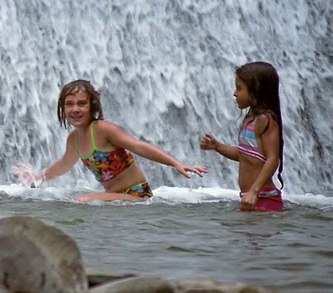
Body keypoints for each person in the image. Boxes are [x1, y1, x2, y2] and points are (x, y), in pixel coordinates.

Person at [12, 79, 207, 202]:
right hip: (117, 197)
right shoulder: (74, 139)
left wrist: (176, 163)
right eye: (69, 104)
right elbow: (64, 164)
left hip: (137, 195)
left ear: (92, 106)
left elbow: (139, 146)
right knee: (65, 198)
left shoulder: (103, 130)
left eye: (82, 104)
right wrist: (39, 176)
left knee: (83, 200)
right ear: (62, 109)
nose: (75, 109)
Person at [200, 61, 284, 212]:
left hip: (264, 198)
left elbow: (273, 159)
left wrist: (254, 191)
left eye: (239, 88)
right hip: (249, 198)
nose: (234, 93)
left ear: (256, 91)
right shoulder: (249, 119)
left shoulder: (266, 120)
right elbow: (244, 155)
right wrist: (217, 146)